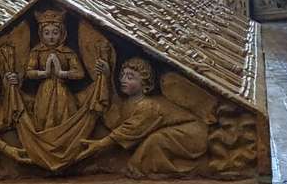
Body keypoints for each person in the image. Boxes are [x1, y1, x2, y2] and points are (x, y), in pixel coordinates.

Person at [77, 57, 207, 176]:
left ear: (145, 84)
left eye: (130, 77)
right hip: (178, 132)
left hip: (192, 133)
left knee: (154, 141)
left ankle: (195, 167)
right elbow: (114, 108)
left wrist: (100, 143)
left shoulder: (148, 105)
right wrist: (107, 75)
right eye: (122, 75)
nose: (123, 80)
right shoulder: (129, 102)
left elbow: (128, 130)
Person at [23, 10, 86, 132]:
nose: (51, 37)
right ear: (41, 34)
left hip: (63, 91)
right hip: (44, 91)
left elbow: (80, 73)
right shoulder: (37, 52)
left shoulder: (68, 52)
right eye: (47, 33)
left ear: (62, 33)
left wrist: (62, 73)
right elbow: (29, 72)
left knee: (65, 116)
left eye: (55, 33)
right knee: (42, 118)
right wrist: (44, 73)